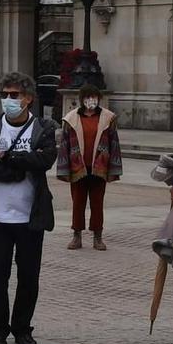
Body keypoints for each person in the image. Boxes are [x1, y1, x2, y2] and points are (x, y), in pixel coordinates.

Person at [0, 70, 56, 344]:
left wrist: (8, 157)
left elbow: (45, 160)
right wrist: (17, 169)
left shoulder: (43, 127)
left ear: (28, 99)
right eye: (5, 95)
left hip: (28, 217)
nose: (8, 100)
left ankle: (23, 328)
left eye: (14, 95)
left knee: (28, 276)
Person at [57, 83, 123, 251]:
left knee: (97, 203)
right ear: (81, 99)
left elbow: (114, 144)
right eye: (87, 97)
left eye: (94, 97)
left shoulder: (108, 118)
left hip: (99, 168)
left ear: (99, 99)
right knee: (77, 203)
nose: (91, 100)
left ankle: (97, 237)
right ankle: (76, 236)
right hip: (77, 167)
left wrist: (113, 169)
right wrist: (63, 169)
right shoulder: (71, 118)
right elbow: (64, 145)